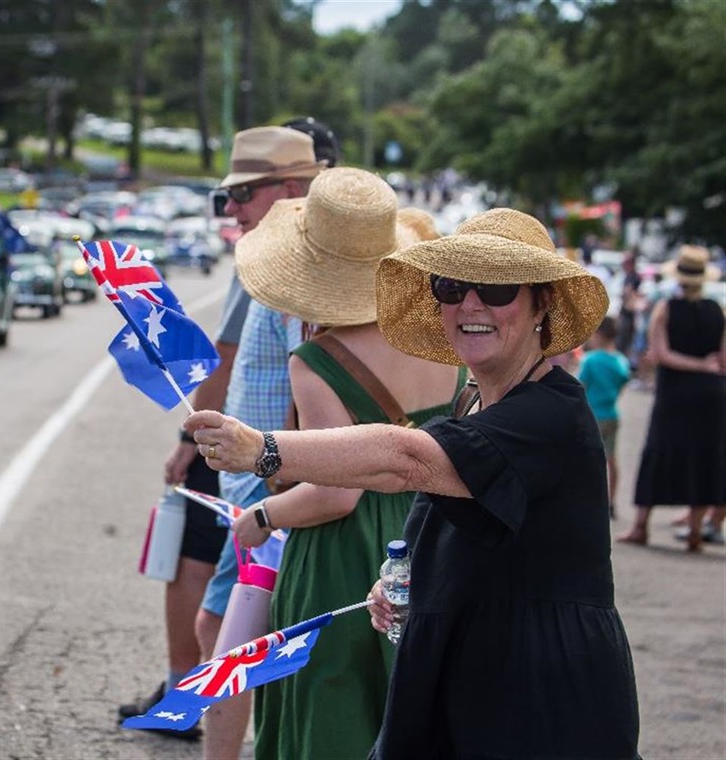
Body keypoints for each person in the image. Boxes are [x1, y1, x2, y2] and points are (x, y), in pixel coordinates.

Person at [186, 208, 640, 758]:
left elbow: (406, 460)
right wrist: (404, 582)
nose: (471, 305)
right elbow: (453, 519)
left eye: (496, 290)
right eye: (453, 286)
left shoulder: (550, 414)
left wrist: (263, 449)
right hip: (470, 665)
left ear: (542, 302)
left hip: (538, 683)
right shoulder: (474, 399)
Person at [227, 167, 464, 760]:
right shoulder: (444, 335)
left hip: (346, 556)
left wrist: (259, 516)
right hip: (439, 539)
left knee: (331, 715)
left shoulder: (317, 358)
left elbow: (336, 493)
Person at [117, 125, 326, 745]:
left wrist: (281, 481)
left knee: (231, 634)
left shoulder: (293, 269)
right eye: (228, 195)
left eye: (244, 193)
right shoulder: (269, 256)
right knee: (230, 631)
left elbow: (294, 372)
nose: (230, 208)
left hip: (273, 487)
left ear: (291, 189)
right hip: (260, 481)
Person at [619, 245, 725, 552]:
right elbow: (722, 358)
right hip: (712, 395)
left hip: (675, 393)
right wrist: (705, 365)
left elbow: (660, 354)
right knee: (706, 457)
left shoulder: (665, 308)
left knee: (659, 451)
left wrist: (694, 364)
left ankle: (641, 525)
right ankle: (695, 530)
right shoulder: (717, 310)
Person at [578, 316, 631, 518]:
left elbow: (580, 387)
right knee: (611, 459)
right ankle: (611, 501)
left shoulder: (591, 360)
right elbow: (624, 382)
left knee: (586, 460)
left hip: (591, 415)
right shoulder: (621, 361)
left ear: (598, 335)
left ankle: (587, 499)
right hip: (611, 413)